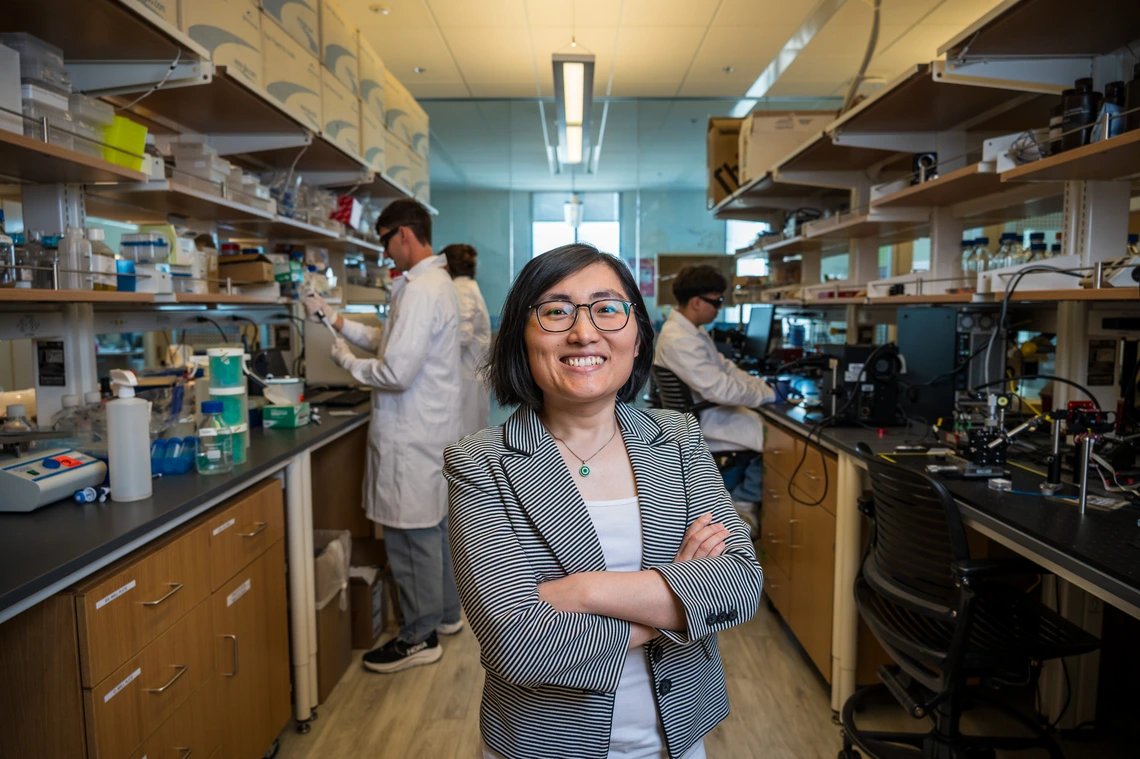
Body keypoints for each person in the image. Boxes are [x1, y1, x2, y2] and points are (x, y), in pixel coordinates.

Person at [444, 244, 764, 759]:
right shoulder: (480, 462)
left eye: (607, 308)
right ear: (521, 340)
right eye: (555, 310)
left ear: (637, 336)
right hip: (545, 744)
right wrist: (677, 598)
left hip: (678, 739)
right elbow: (516, 643)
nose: (584, 332)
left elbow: (741, 584)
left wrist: (584, 591)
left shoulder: (678, 437)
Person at [303, 199, 464, 674]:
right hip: (427, 433)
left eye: (385, 242)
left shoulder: (420, 290)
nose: (385, 253)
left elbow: (394, 369)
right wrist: (335, 321)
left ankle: (419, 636)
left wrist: (347, 364)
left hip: (411, 435)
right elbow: (388, 340)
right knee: (432, 529)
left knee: (410, 536)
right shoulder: (431, 284)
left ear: (404, 235)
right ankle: (447, 617)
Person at [653, 265, 788, 507]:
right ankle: (742, 505)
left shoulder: (693, 332)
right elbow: (718, 389)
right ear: (696, 302)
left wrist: (762, 386)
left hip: (708, 413)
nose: (720, 308)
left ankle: (741, 499)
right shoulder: (679, 339)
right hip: (703, 421)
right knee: (776, 439)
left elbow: (726, 369)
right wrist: (767, 394)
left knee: (768, 429)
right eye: (717, 302)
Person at [441, 243, 492, 436]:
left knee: (466, 443)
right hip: (469, 377)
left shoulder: (461, 289)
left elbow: (462, 337)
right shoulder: (467, 287)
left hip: (465, 379)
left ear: (445, 267)